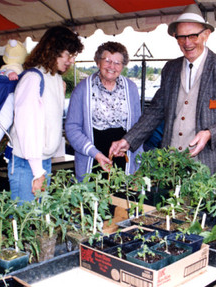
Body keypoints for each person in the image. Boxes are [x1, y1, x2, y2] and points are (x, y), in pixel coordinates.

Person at [109, 4, 216, 174]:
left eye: (192, 36)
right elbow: (155, 112)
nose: (187, 42)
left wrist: (209, 134)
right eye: (181, 37)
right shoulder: (170, 69)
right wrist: (127, 141)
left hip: (208, 165)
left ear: (206, 35)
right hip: (171, 162)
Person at [8, 26, 83, 202]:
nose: (71, 61)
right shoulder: (33, 79)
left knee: (38, 219)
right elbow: (27, 128)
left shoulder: (55, 78)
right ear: (53, 51)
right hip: (28, 163)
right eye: (68, 55)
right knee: (26, 220)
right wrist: (37, 172)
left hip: (42, 162)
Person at [65, 41, 142, 182]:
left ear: (123, 66)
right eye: (107, 61)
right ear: (98, 62)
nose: (112, 66)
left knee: (125, 198)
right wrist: (95, 154)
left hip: (123, 156)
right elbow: (72, 128)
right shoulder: (82, 89)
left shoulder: (131, 88)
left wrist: (130, 147)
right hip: (92, 158)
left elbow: (138, 126)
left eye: (117, 62)